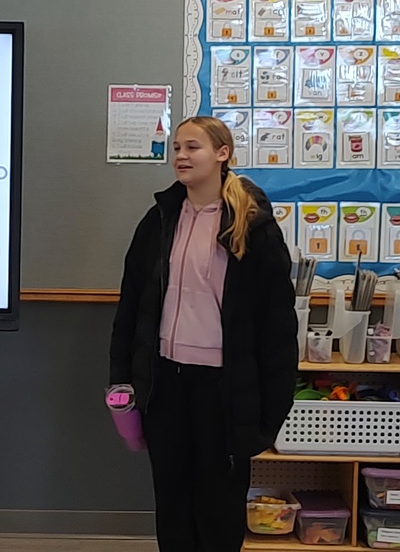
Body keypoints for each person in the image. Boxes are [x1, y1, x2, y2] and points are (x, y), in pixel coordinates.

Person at [108, 116, 298, 552]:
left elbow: (278, 328)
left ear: (221, 154)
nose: (181, 156)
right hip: (165, 384)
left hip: (224, 391)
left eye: (192, 147)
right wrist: (122, 380)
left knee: (218, 506)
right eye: (177, 147)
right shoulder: (158, 221)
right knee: (172, 501)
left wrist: (271, 414)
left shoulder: (254, 227)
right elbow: (130, 310)